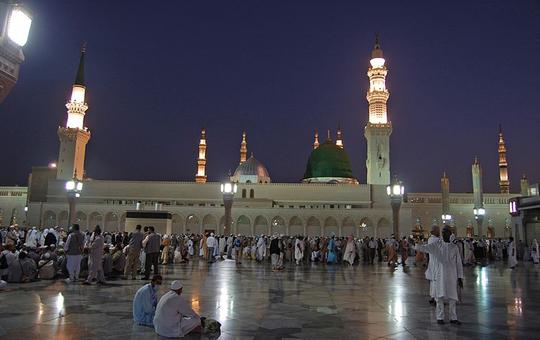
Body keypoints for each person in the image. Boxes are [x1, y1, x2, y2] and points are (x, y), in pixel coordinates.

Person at [416, 225, 464, 325]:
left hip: (452, 275)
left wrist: (460, 277)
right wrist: (416, 244)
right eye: (443, 231)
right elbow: (425, 248)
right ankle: (440, 317)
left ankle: (453, 318)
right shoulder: (437, 245)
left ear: (450, 234)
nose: (443, 233)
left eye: (446, 231)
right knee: (439, 297)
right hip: (440, 275)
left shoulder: (454, 247)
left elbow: (458, 263)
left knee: (452, 298)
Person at [425, 226, 440, 305]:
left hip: (431, 262)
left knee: (432, 281)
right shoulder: (437, 240)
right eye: (438, 231)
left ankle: (432, 297)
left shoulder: (429, 239)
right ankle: (436, 299)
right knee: (437, 281)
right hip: (437, 263)